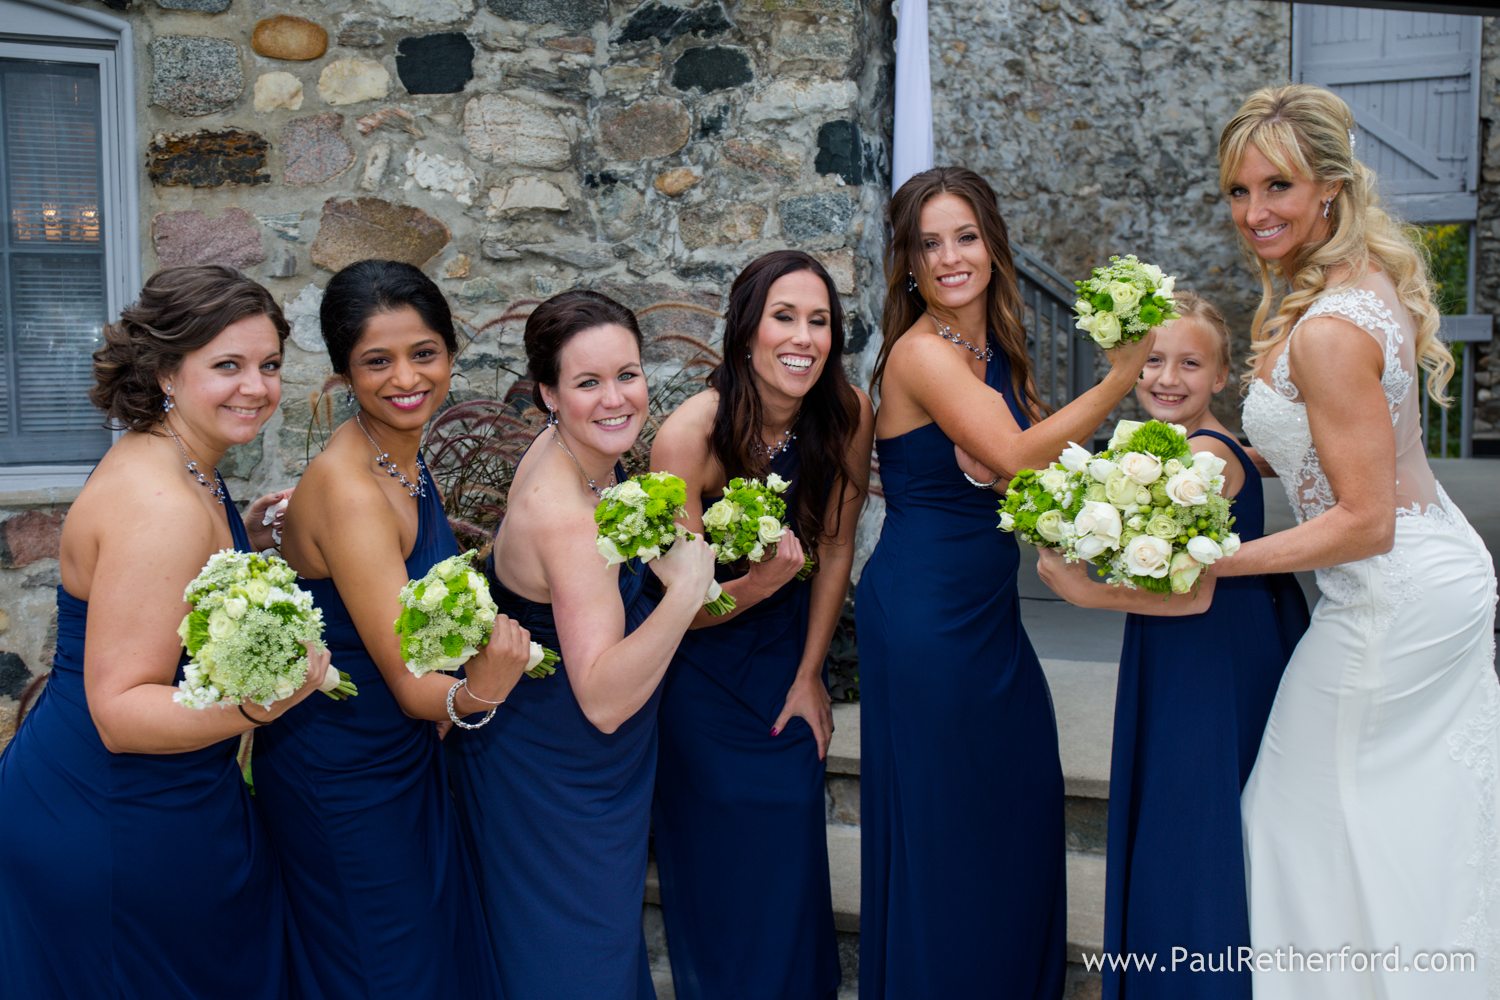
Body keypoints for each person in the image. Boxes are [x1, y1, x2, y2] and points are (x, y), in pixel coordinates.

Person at [1215, 83, 1499, 998]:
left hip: (1391, 597)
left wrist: (1213, 563)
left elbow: (1362, 517)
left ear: (1329, 189)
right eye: (1237, 191)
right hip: (1428, 568)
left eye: (1278, 188)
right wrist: (1219, 454)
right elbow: (1330, 450)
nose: (1255, 212)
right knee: (1395, 827)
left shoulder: (1331, 330)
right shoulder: (1354, 283)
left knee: (1288, 819)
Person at [854, 165, 1155, 997]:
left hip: (986, 616)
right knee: (949, 824)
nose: (950, 257)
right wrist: (1118, 379)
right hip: (926, 621)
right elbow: (1023, 452)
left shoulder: (989, 349)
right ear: (908, 263)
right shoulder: (922, 350)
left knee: (1013, 804)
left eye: (966, 236)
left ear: (992, 245)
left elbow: (1017, 473)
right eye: (929, 242)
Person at [0, 265, 327, 997]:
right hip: (112, 815)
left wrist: (249, 545)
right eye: (228, 366)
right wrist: (260, 704)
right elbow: (119, 712)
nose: (258, 387)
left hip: (156, 801)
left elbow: (168, 592)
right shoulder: (163, 504)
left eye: (270, 364)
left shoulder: (186, 467)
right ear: (166, 372)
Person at [252, 260, 531, 998]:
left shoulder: (405, 461)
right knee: (386, 966)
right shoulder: (351, 491)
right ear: (344, 376)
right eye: (378, 360)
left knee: (427, 956)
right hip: (342, 772)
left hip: (403, 762)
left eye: (424, 353)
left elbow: (414, 620)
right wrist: (481, 692)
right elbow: (414, 685)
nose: (406, 377)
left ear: (449, 354)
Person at [1037, 293, 1310, 999]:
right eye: (1152, 360)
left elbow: (1194, 591)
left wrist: (1084, 592)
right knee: (1176, 814)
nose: (1167, 377)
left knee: (1191, 821)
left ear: (1222, 378)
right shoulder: (1183, 446)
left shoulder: (1207, 458)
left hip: (1209, 653)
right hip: (1185, 647)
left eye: (1191, 363)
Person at [445, 290, 716, 999]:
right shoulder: (565, 513)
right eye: (587, 383)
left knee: (587, 945)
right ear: (548, 393)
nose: (615, 399)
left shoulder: (579, 450)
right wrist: (686, 592)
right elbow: (600, 698)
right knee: (572, 957)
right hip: (559, 772)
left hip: (574, 761)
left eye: (627, 374)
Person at [648, 250, 874, 999]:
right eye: (784, 317)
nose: (803, 337)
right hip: (701, 669)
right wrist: (762, 580)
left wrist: (811, 675)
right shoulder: (691, 436)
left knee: (789, 858)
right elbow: (679, 613)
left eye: (819, 321)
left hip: (782, 659)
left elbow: (836, 545)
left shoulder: (845, 412)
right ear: (746, 331)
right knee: (721, 871)